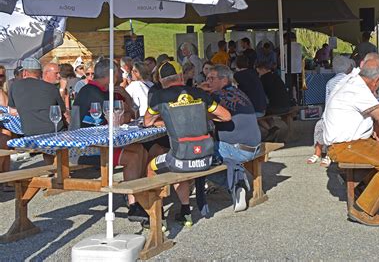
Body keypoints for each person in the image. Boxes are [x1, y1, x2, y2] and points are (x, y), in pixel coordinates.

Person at [322, 55, 379, 227]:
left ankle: (363, 191)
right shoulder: (359, 89)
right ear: (376, 80)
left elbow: (377, 117)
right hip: (344, 146)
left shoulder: (353, 81)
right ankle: (362, 210)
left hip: (351, 142)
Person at [145, 61, 231, 224]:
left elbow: (147, 121)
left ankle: (157, 216)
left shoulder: (159, 97)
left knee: (152, 167)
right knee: (179, 163)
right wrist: (200, 115)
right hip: (206, 159)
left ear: (162, 81)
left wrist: (164, 121)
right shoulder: (199, 93)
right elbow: (226, 116)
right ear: (181, 76)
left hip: (180, 161)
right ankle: (185, 211)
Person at [74, 58, 149, 223]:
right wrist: (126, 115)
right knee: (133, 156)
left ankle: (138, 195)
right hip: (90, 147)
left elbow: (132, 114)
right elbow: (117, 119)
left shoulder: (112, 91)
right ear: (111, 74)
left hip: (107, 142)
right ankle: (134, 203)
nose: (121, 75)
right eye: (118, 72)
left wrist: (126, 97)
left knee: (141, 150)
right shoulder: (90, 91)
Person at [203, 64, 262, 212]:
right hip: (255, 145)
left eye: (212, 78)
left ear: (224, 80)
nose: (208, 81)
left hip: (239, 149)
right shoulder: (239, 92)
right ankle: (230, 180)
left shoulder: (216, 96)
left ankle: (236, 183)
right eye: (207, 78)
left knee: (196, 156)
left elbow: (201, 115)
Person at [8, 57, 67, 165]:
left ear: (24, 72)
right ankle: (59, 171)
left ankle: (52, 169)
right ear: (40, 73)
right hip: (53, 132)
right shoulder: (51, 88)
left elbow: (12, 111)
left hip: (29, 133)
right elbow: (62, 111)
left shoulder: (14, 86)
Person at [306, 55, 354, 166]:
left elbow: (327, 102)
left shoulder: (330, 82)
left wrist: (325, 116)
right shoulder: (351, 81)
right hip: (346, 114)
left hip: (333, 114)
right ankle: (328, 154)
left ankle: (318, 153)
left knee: (321, 126)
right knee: (327, 126)